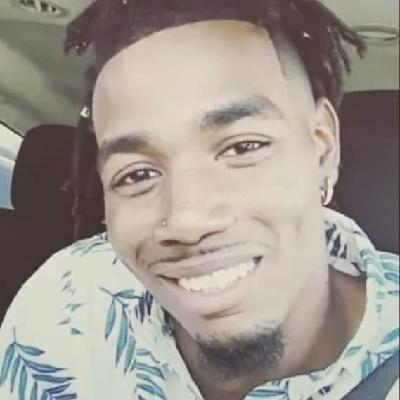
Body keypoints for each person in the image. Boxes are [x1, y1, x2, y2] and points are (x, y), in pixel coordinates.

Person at [0, 1, 398, 399]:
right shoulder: (68, 299)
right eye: (137, 175)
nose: (187, 221)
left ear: (322, 148)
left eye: (243, 147)